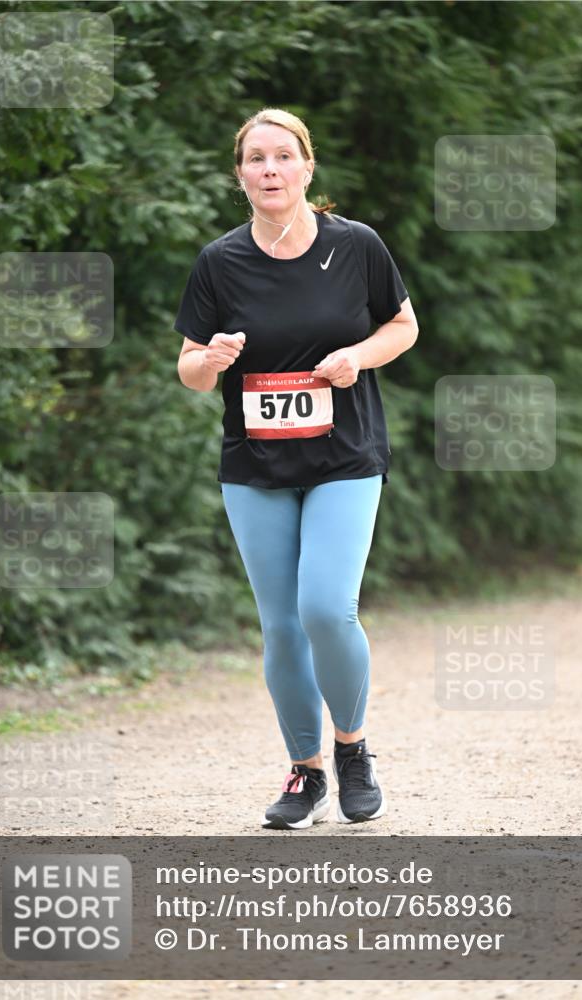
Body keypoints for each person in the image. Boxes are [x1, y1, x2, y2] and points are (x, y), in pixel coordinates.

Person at [174, 108, 419, 831]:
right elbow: (188, 370)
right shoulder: (219, 262)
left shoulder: (356, 248)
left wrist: (356, 359)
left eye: (284, 156)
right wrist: (209, 361)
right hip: (254, 465)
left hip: (345, 455)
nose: (270, 169)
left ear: (308, 168)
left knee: (324, 608)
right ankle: (304, 773)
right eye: (256, 159)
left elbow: (401, 327)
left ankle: (352, 751)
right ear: (240, 174)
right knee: (281, 627)